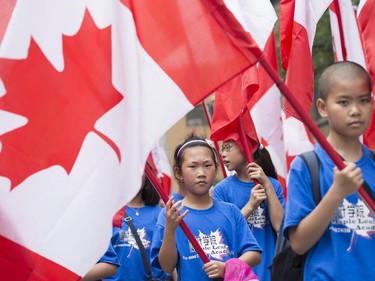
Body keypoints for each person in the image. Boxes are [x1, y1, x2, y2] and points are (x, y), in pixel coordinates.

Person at [283, 61, 375, 280]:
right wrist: (336, 192)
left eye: (364, 100)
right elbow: (299, 243)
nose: (355, 110)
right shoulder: (307, 166)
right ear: (323, 107)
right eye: (343, 102)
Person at [150, 135, 262, 281]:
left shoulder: (231, 211)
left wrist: (228, 267)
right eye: (193, 166)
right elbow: (167, 267)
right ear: (178, 173)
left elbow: (254, 254)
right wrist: (170, 229)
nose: (201, 173)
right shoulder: (171, 214)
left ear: (216, 169)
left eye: (207, 165)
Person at [212, 141, 285, 281]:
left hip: (271, 270)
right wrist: (250, 206)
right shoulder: (222, 189)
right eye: (222, 150)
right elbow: (223, 232)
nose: (223, 154)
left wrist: (268, 186)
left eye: (228, 148)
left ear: (247, 147)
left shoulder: (273, 184)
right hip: (239, 273)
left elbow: (280, 226)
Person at [103, 167, 171, 281]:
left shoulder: (161, 213)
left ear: (147, 177)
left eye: (137, 169)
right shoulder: (107, 212)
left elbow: (170, 258)